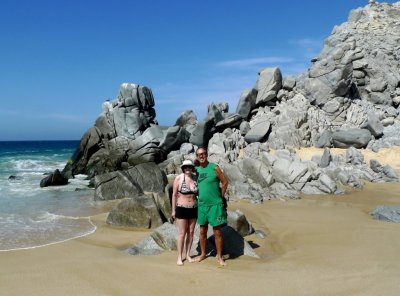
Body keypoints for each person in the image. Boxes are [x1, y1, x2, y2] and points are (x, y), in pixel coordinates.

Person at [195, 147, 228, 266]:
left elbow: (225, 182)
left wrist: (221, 197)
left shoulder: (214, 167)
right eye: (199, 155)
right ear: (197, 157)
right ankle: (203, 254)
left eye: (203, 154)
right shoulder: (196, 170)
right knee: (202, 231)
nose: (201, 156)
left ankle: (219, 256)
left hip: (215, 205)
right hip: (202, 206)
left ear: (207, 155)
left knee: (217, 232)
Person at [172, 159, 198, 266]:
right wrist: (173, 210)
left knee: (191, 233)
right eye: (186, 167)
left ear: (192, 168)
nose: (188, 168)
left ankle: (187, 254)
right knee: (182, 233)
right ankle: (179, 257)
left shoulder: (195, 178)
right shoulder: (179, 178)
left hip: (194, 208)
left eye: (190, 167)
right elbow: (174, 195)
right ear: (183, 168)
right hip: (182, 208)